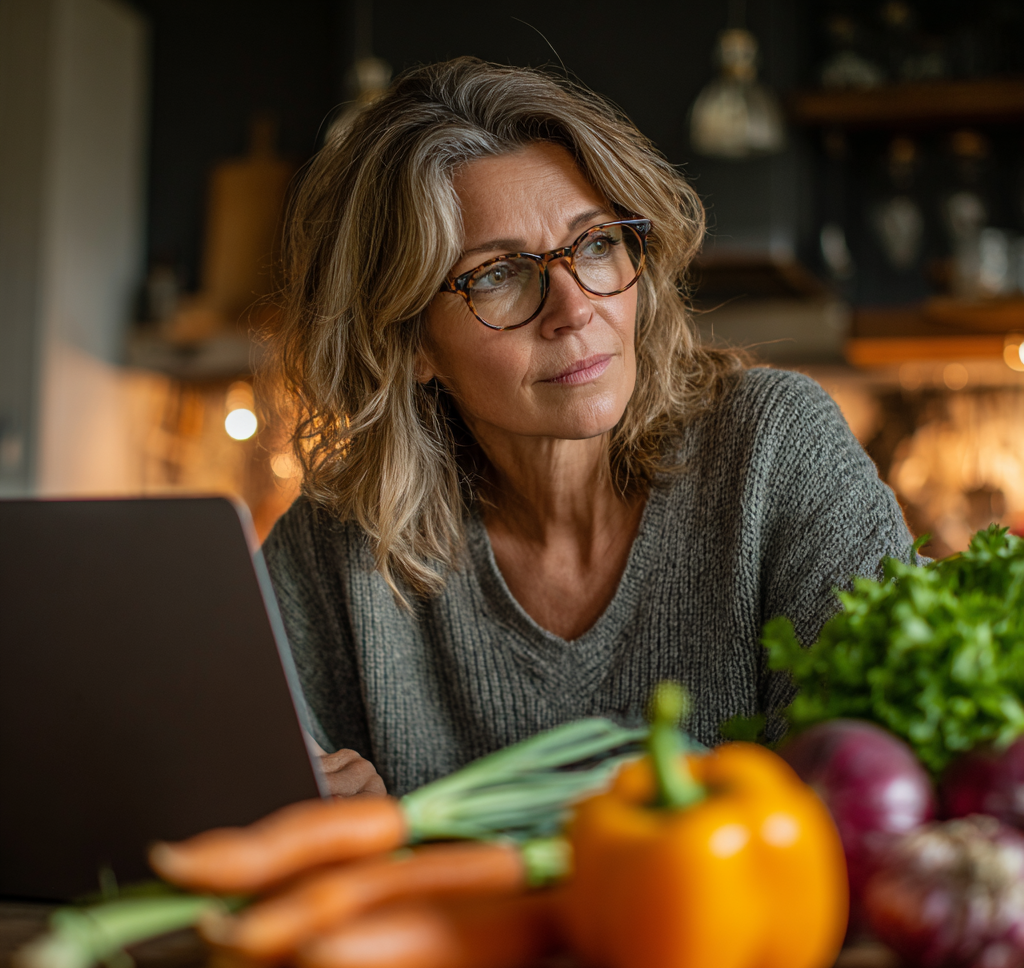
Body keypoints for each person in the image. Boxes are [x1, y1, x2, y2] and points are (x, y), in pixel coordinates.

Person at [262, 57, 911, 798]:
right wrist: (302, 809)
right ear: (410, 344)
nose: (574, 308)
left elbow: (878, 792)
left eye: (596, 244)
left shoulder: (775, 450)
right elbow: (196, 786)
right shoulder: (340, 546)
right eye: (499, 274)